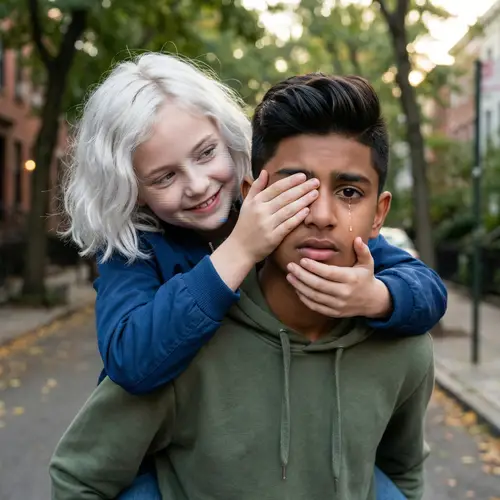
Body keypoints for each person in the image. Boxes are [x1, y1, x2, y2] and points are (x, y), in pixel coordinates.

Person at [52, 72, 434, 500]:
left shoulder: (314, 228)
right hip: (158, 452)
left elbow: (424, 287)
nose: (197, 185)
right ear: (133, 190)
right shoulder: (135, 251)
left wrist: (379, 298)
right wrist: (238, 251)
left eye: (205, 153)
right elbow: (130, 360)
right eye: (164, 177)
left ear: (227, 139)